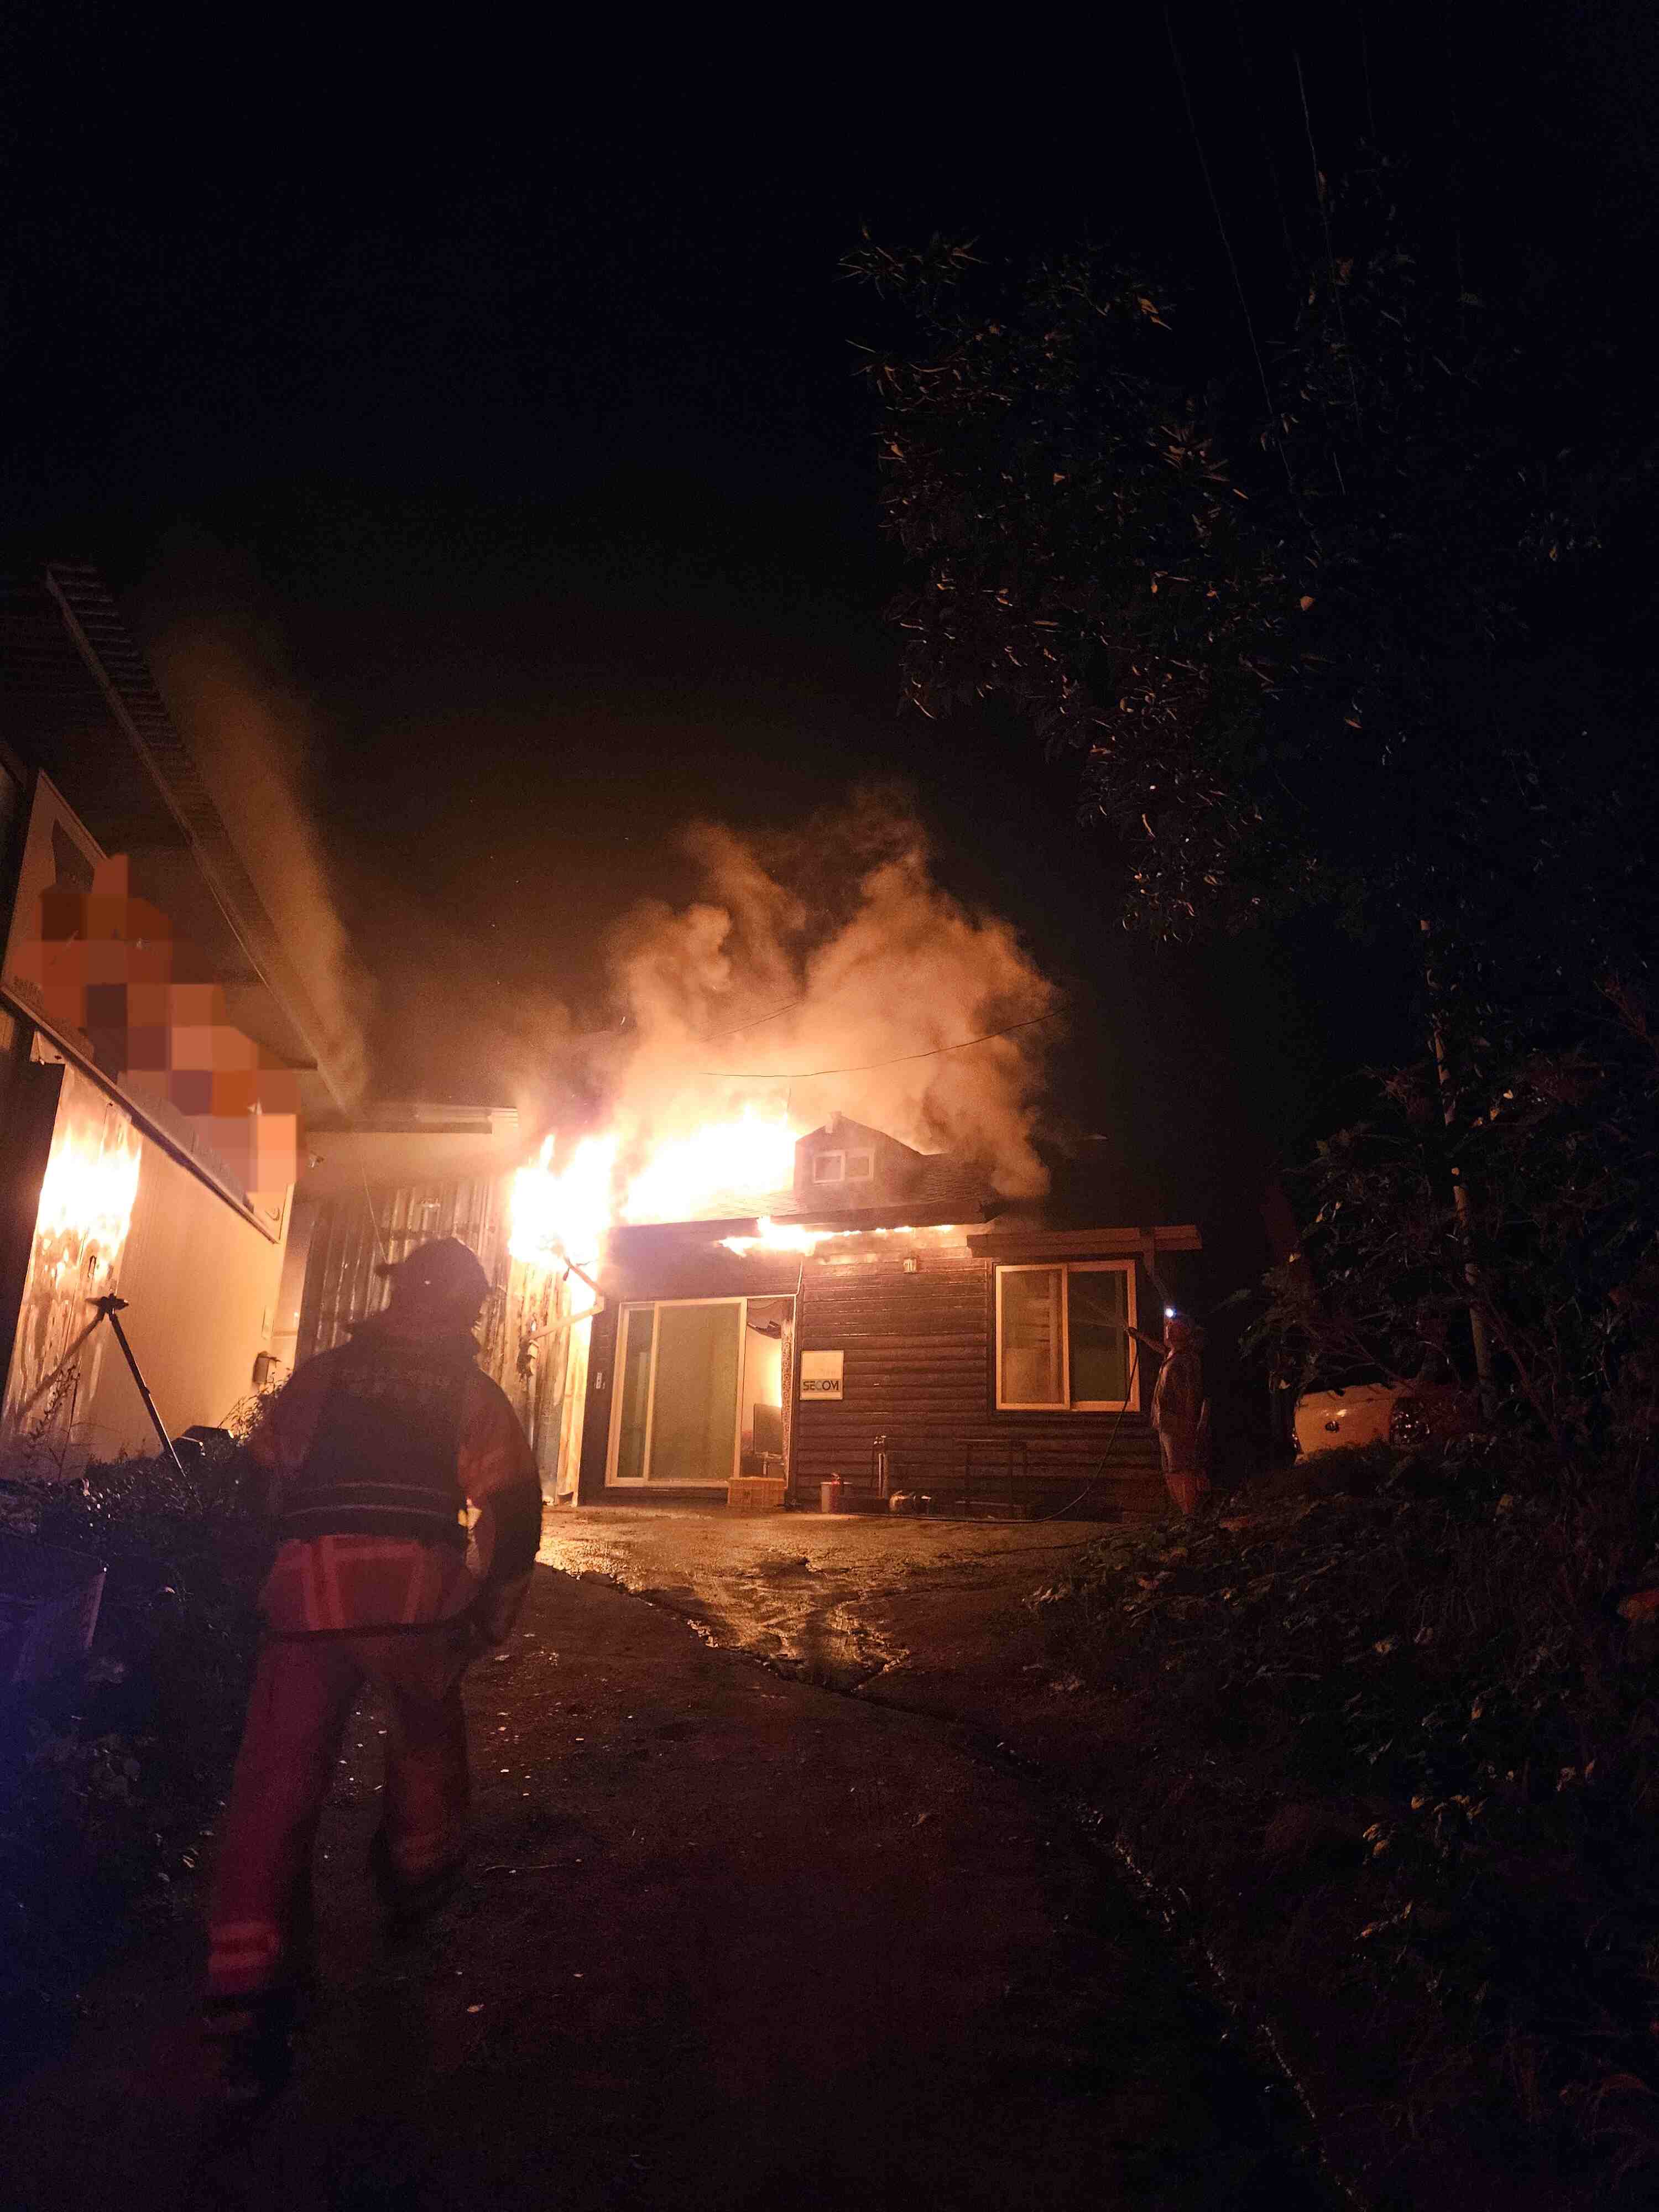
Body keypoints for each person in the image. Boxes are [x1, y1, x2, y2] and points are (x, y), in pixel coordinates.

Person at [202, 1237, 541, 2102]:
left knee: (275, 1781)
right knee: (427, 1744)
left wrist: (251, 1582)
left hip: (306, 1601)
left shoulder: (323, 1377)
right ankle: (417, 1877)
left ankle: (246, 1981)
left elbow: (255, 1484)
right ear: (466, 1307)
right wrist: (485, 1612)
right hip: (413, 1607)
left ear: (396, 1296)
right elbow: (513, 1511)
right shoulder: (470, 1392)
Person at [1130, 1312, 1212, 1516]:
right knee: (1170, 1470)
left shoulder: (1187, 1360)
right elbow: (1159, 1348)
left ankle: (1191, 1514)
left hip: (1178, 1425)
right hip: (1165, 1424)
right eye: (1169, 1325)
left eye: (1174, 1326)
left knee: (1182, 1470)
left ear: (1186, 1332)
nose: (1169, 1328)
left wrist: (1191, 1426)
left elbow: (1192, 1396)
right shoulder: (1172, 1354)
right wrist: (1140, 1336)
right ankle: (1184, 1513)